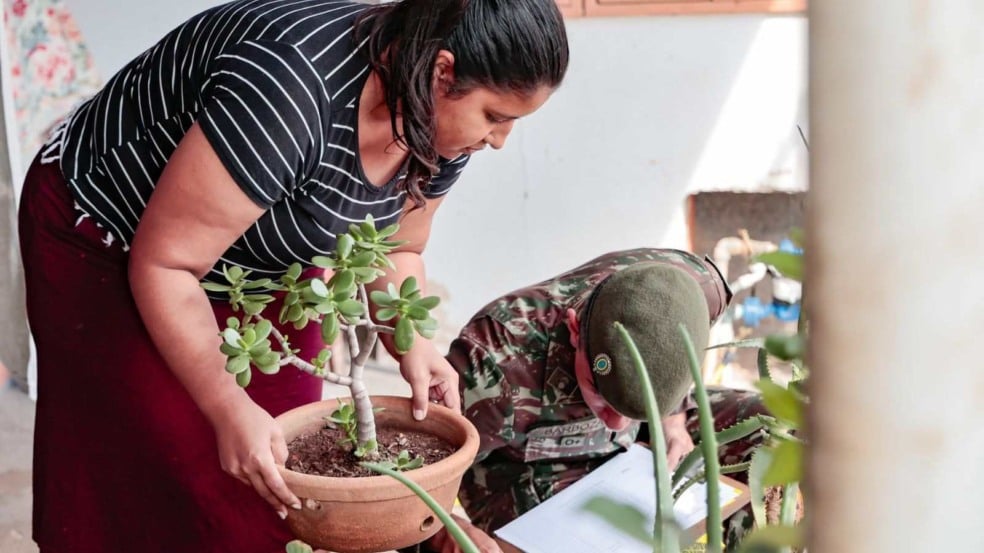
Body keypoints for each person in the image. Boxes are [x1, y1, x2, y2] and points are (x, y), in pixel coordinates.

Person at [17, 0, 568, 551]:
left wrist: (413, 341)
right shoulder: (290, 90)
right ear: (442, 71)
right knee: (147, 463)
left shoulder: (437, 121)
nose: (498, 141)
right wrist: (227, 404)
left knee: (283, 467)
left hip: (258, 256)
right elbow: (167, 264)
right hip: (109, 239)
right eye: (496, 118)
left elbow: (397, 245)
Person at [417, 248, 770, 553]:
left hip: (644, 445)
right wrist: (452, 531)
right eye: (602, 400)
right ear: (574, 330)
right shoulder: (495, 361)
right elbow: (410, 482)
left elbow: (678, 354)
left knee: (776, 431)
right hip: (531, 468)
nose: (616, 423)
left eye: (626, 411)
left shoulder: (697, 288)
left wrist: (672, 420)